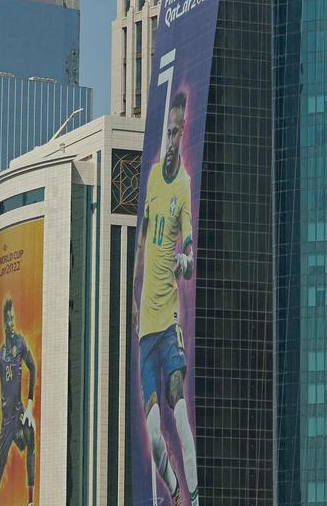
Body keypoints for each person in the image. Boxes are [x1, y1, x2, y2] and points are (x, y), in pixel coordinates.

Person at [135, 91, 199, 506]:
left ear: (183, 132)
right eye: (169, 130)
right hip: (145, 330)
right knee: (154, 428)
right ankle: (173, 490)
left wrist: (184, 260)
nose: (172, 137)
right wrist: (134, 303)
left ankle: (194, 496)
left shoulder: (185, 186)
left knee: (178, 409)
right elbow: (140, 243)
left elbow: (190, 248)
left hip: (169, 320)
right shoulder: (154, 176)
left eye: (178, 131)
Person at [0, 299, 37, 505]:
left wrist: (31, 405)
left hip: (19, 412)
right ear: (4, 323)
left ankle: (31, 501)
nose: (11, 322)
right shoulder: (1, 354)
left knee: (31, 439)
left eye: (12, 317)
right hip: (6, 424)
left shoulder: (21, 343)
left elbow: (32, 367)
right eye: (8, 319)